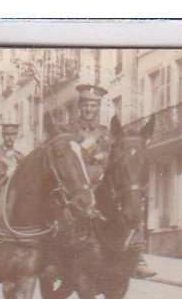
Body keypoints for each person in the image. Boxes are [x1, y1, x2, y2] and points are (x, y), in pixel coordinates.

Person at [65, 84, 155, 279]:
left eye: (93, 106)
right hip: (76, 186)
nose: (89, 110)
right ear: (80, 106)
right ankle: (55, 258)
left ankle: (137, 255)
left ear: (98, 108)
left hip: (101, 185)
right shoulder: (69, 131)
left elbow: (114, 161)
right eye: (86, 105)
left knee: (129, 207)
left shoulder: (106, 134)